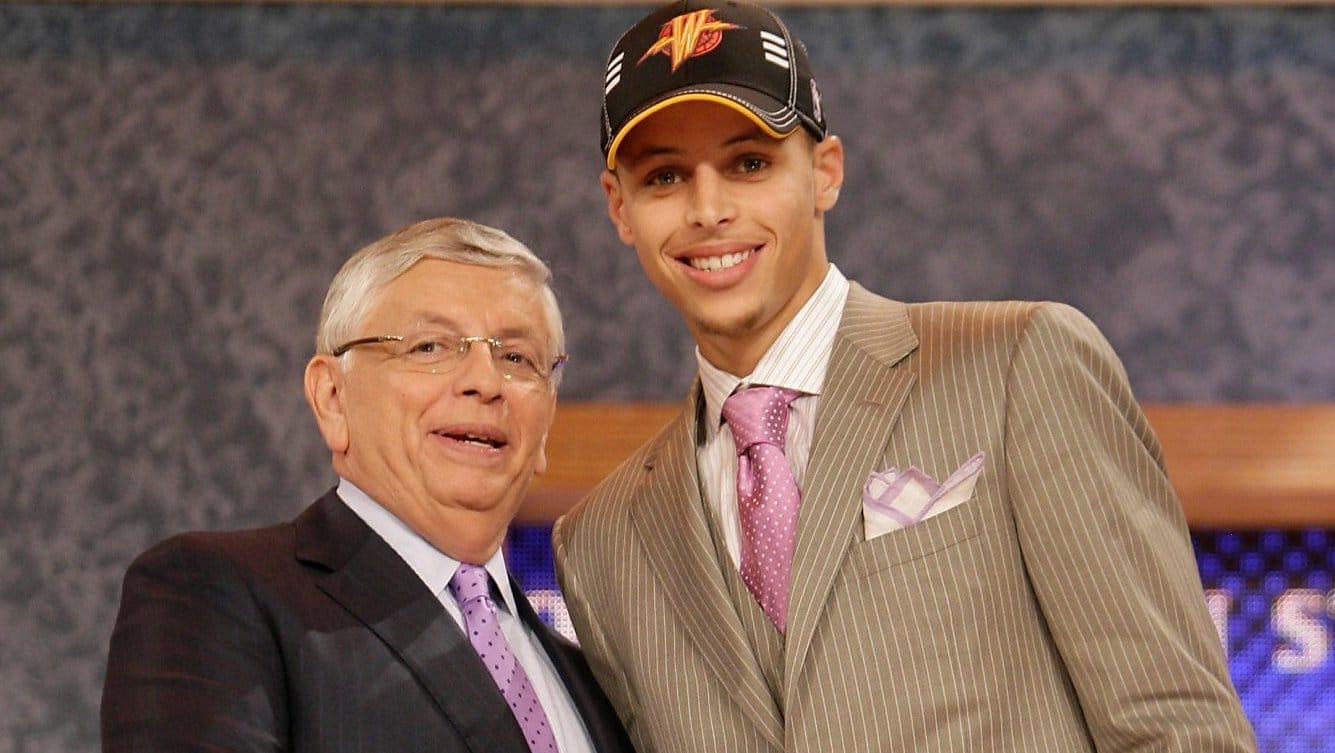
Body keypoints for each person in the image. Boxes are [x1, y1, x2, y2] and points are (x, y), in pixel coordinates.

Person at [552, 2, 1257, 752]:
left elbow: (1178, 726)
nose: (709, 208)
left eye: (748, 162)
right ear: (619, 207)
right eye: (664, 176)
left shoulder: (1020, 365)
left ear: (824, 173)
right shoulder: (598, 546)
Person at [102, 218, 632, 753]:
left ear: (546, 423)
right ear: (332, 397)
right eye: (430, 347)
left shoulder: (597, 683)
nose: (486, 382)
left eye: (517, 357)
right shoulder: (215, 595)